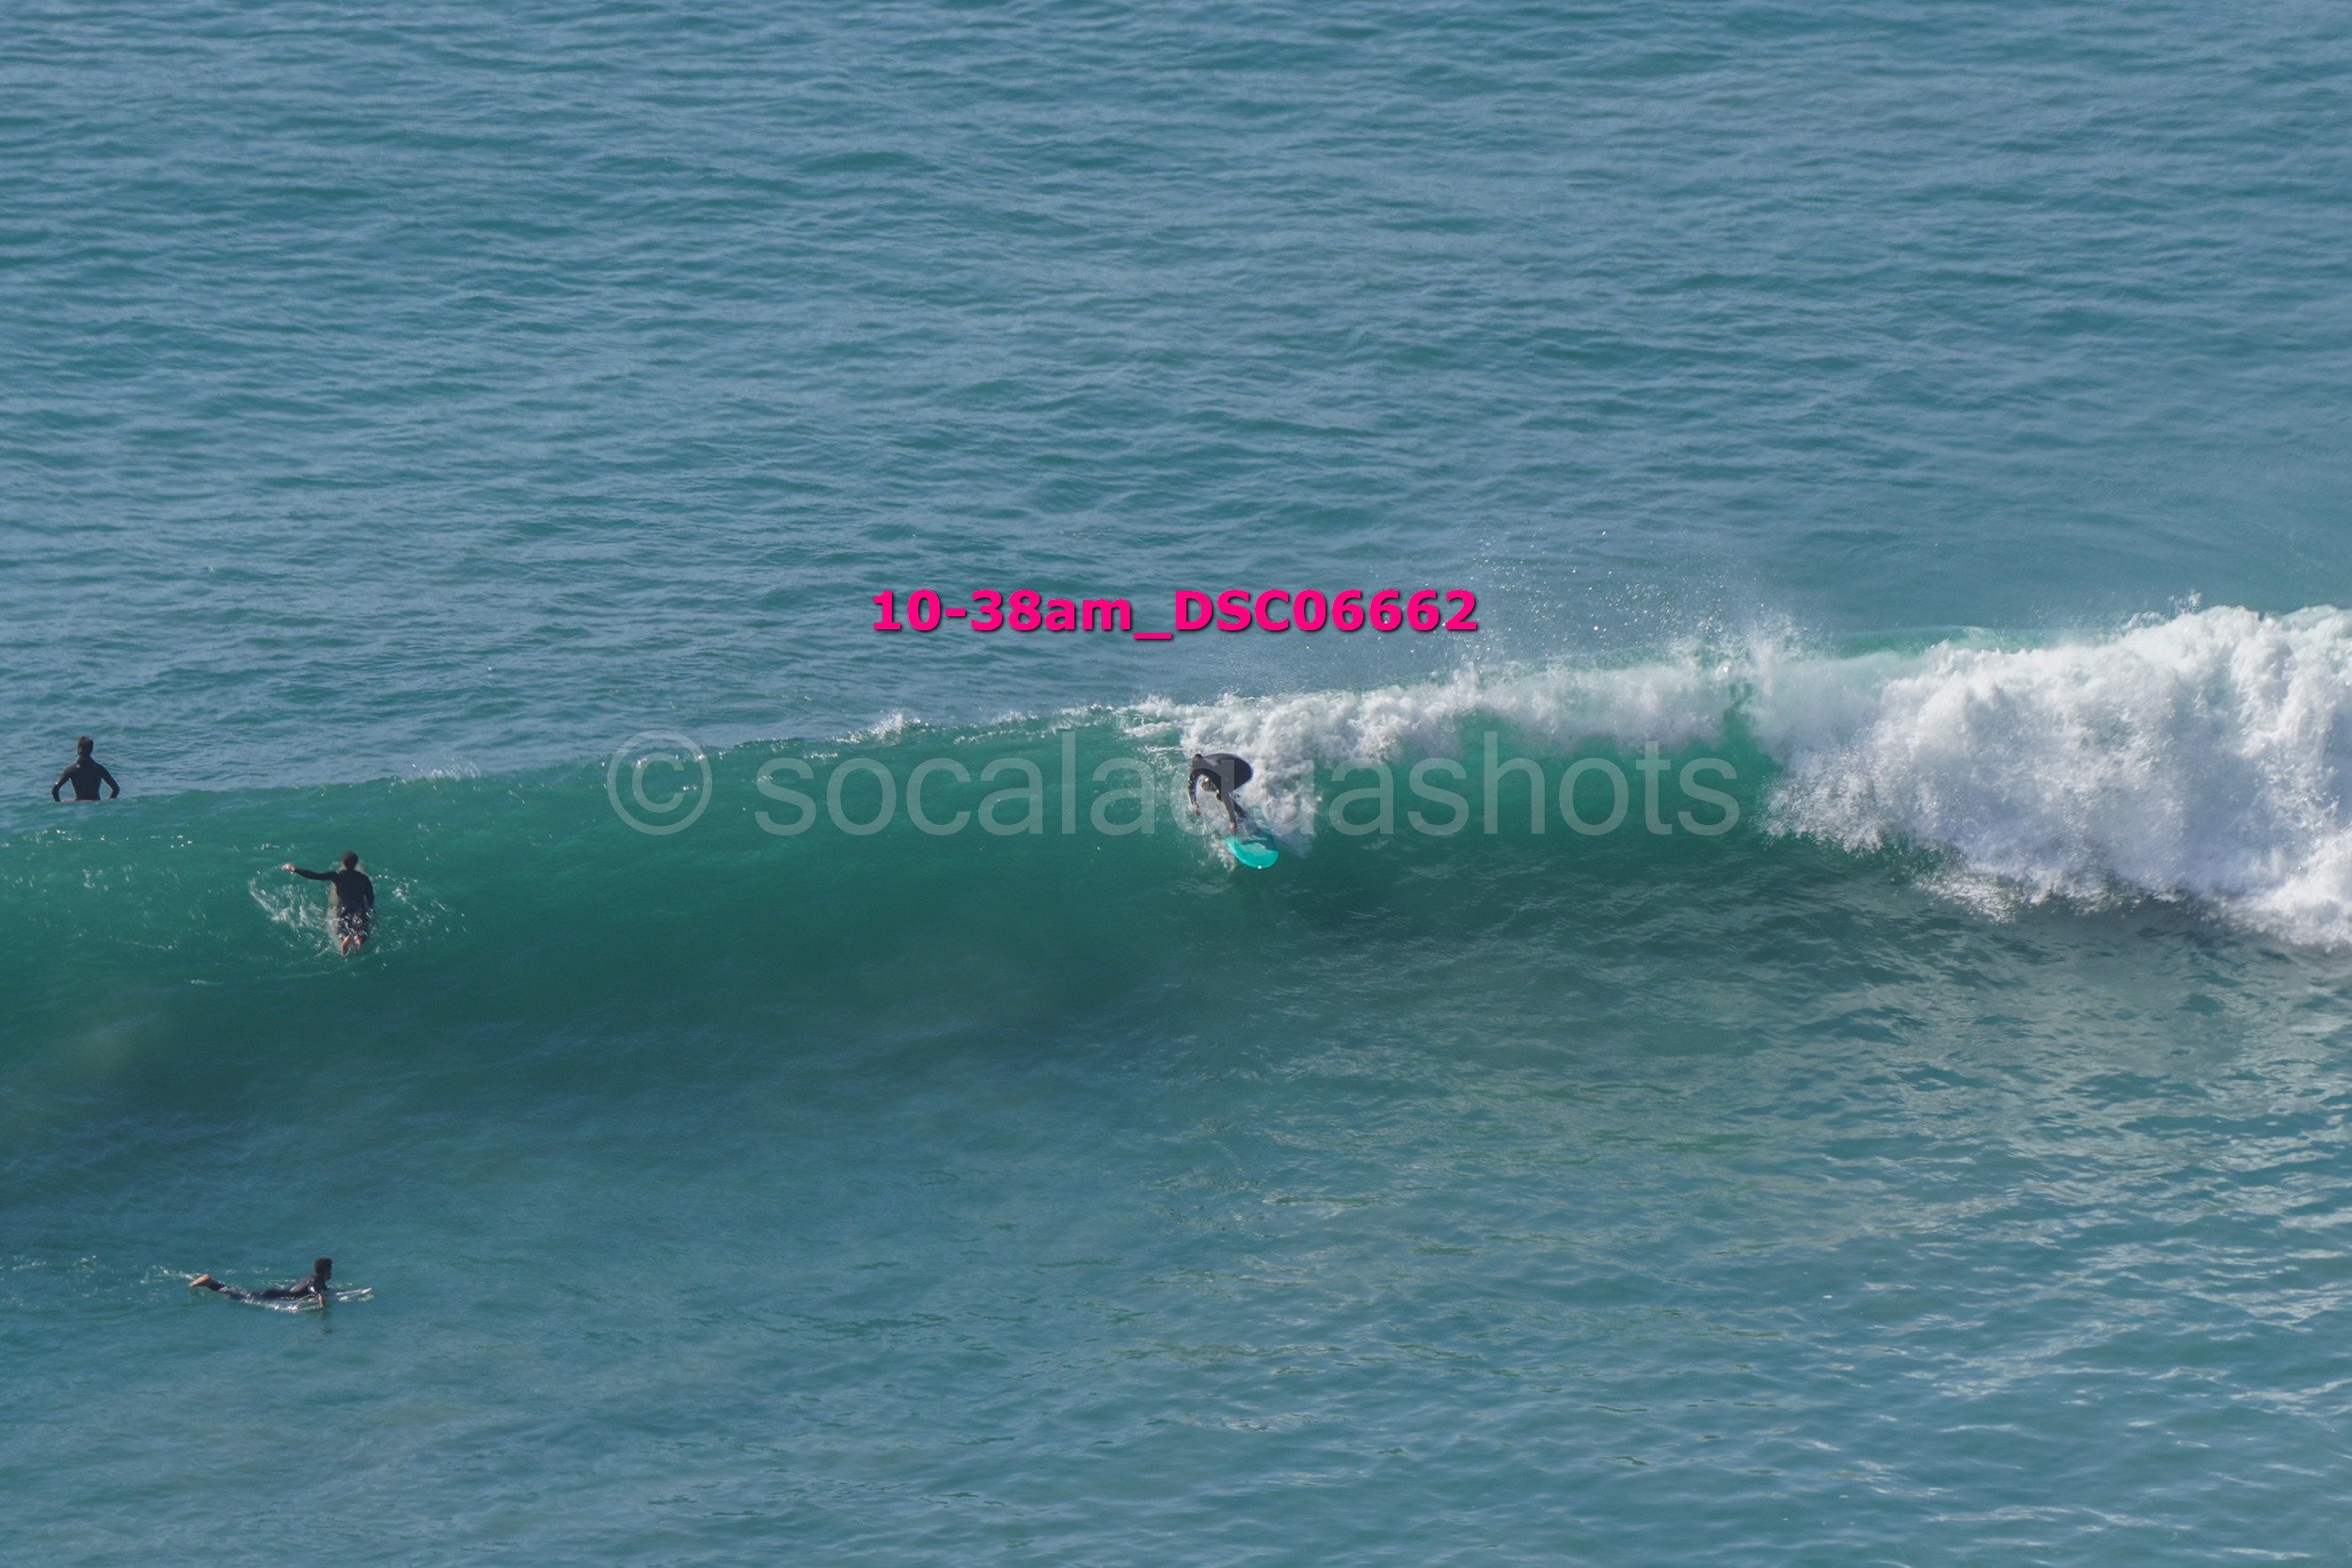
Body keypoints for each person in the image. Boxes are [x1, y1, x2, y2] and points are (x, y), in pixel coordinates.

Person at [283, 852, 375, 955]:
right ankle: (359, 938)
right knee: (363, 927)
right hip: (360, 908)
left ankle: (345, 937)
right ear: (356, 863)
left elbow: (314, 876)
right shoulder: (364, 879)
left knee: (341, 928)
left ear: (343, 863)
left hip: (344, 908)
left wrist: (294, 869)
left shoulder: (337, 876)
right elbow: (370, 898)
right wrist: (370, 908)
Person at [190, 1258, 335, 1305]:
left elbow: (319, 1287)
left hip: (276, 1293)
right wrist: (318, 1296)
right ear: (327, 1271)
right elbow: (313, 1288)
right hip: (276, 1296)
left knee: (242, 1294)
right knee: (239, 1296)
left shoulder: (310, 1277)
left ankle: (211, 1283)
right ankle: (210, 1283)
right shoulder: (317, 1280)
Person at [1187, 751, 1254, 832]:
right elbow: (1191, 785)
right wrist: (1194, 803)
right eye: (1192, 770)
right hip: (1230, 769)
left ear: (1201, 768)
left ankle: (1242, 814)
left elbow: (1224, 794)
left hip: (1244, 772)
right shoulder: (1197, 766)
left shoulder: (1212, 770)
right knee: (1205, 785)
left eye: (1195, 771)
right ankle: (1233, 796)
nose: (1193, 773)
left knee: (1220, 795)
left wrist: (1232, 821)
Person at [52, 736, 119, 801]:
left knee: (66, 800)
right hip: (95, 803)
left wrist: (58, 802)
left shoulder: (71, 770)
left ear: (78, 750)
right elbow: (116, 789)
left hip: (79, 804)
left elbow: (55, 790)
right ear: (91, 750)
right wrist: (108, 803)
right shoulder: (99, 768)